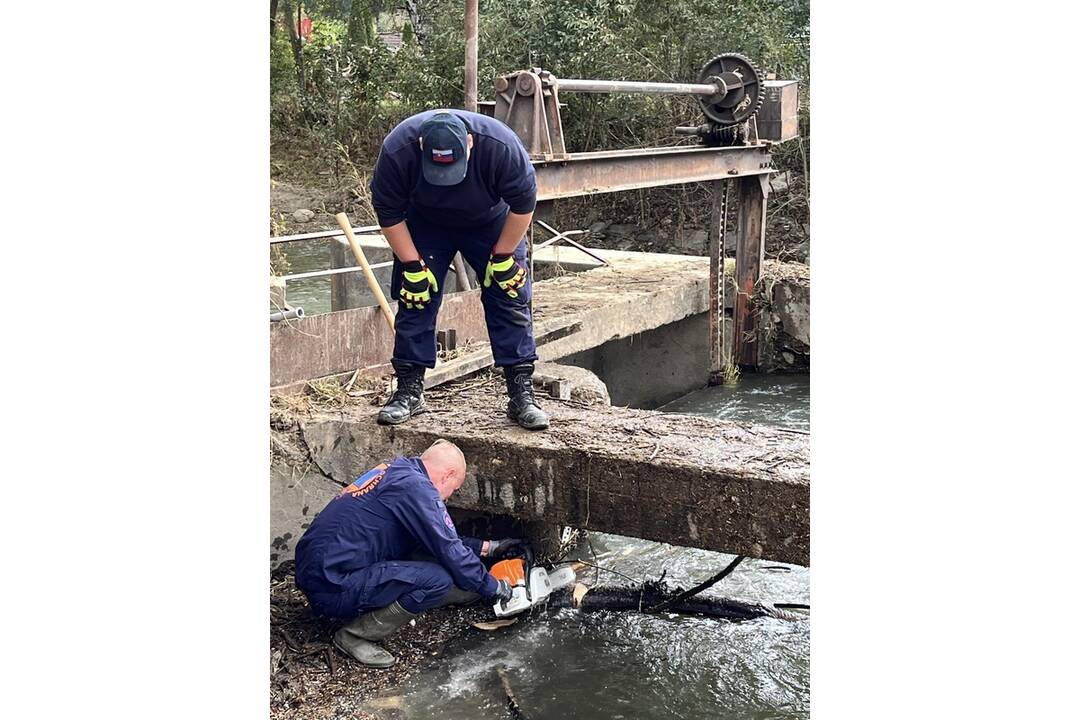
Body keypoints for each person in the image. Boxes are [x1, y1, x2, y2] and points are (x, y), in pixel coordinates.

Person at [370, 108, 549, 430]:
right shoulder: (398, 149)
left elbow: (524, 206)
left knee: (509, 297)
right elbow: (388, 212)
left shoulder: (501, 146)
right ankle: (409, 391)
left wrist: (504, 256)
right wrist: (412, 264)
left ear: (469, 143)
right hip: (425, 224)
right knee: (416, 297)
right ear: (422, 144)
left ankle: (521, 393)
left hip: (491, 221)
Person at [293, 439, 527, 668]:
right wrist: (495, 588)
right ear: (447, 475)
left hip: (322, 572)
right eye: (453, 490)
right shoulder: (417, 489)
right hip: (333, 587)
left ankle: (457, 590)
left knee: (432, 562)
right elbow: (448, 547)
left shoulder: (398, 471)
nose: (448, 498)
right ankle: (354, 635)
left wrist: (489, 547)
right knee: (438, 581)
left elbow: (435, 537)